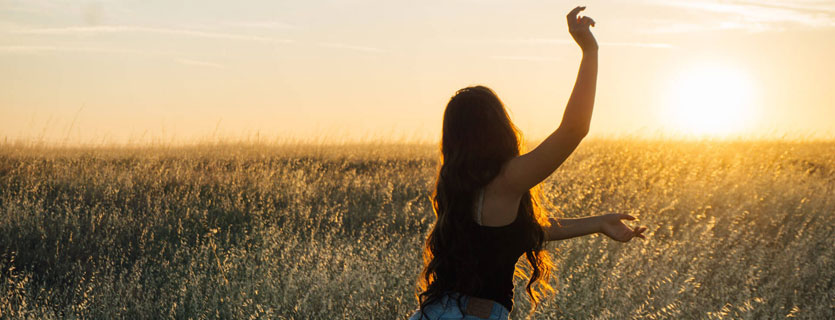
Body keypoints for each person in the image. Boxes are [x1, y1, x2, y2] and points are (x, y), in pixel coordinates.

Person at [409, 6, 647, 320]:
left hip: (433, 313)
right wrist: (590, 51)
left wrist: (598, 223)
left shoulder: (456, 187)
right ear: (499, 127)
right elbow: (574, 129)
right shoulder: (506, 179)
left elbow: (517, 232)